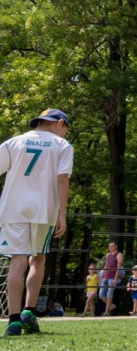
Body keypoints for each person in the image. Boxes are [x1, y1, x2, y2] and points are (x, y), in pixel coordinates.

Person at [0, 109, 72, 337]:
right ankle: (29, 311)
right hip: (44, 209)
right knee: (38, 257)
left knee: (17, 259)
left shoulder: (14, 142)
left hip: (13, 208)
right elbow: (62, 178)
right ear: (59, 123)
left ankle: (13, 320)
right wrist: (62, 214)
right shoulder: (62, 145)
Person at [98, 240, 124, 316]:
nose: (110, 247)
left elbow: (118, 268)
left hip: (112, 277)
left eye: (112, 246)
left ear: (116, 246)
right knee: (101, 295)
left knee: (109, 295)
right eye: (109, 246)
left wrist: (116, 279)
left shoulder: (119, 255)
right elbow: (106, 266)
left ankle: (106, 312)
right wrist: (101, 277)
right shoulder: (107, 255)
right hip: (106, 277)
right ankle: (112, 306)